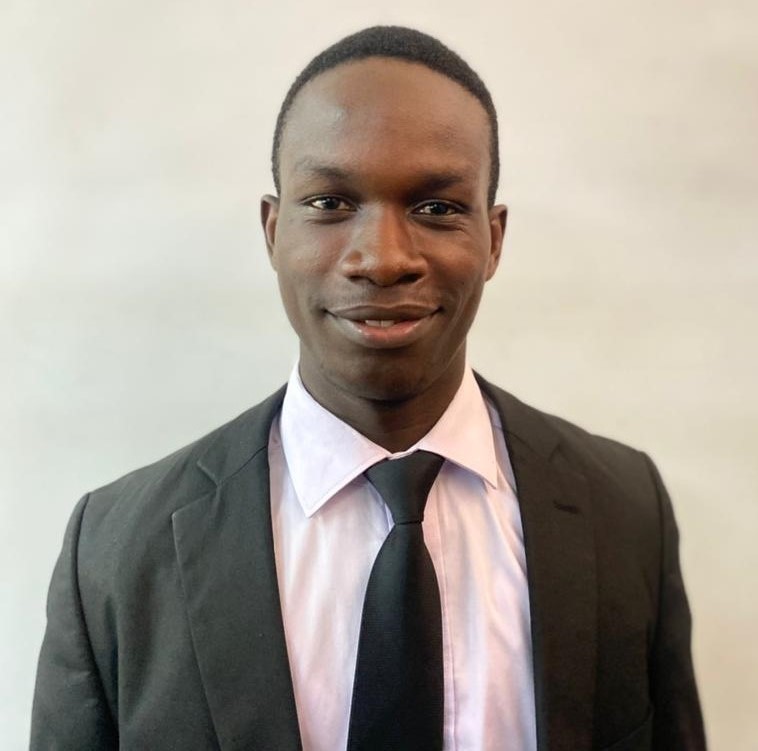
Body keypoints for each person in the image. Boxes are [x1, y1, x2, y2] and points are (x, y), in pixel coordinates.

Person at [31, 25, 706, 751]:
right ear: (272, 231)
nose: (382, 259)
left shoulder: (624, 509)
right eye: (330, 202)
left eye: (436, 207)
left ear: (494, 239)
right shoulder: (115, 549)